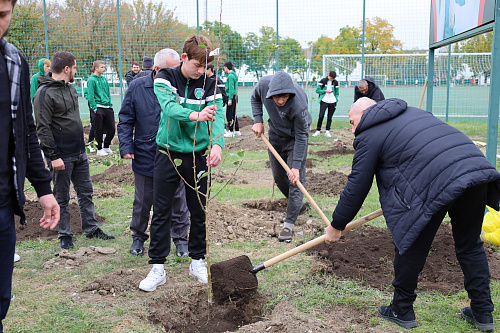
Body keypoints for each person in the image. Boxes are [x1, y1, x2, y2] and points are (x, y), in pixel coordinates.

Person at [325, 97, 500, 332]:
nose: (353, 129)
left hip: (438, 181)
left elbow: (357, 185)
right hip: (474, 171)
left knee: (410, 242)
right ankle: (483, 313)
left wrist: (337, 225)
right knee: (470, 245)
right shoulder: (415, 113)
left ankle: (401, 309)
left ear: (367, 112)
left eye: (352, 122)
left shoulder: (369, 134)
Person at [138, 35, 224, 291]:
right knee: (162, 210)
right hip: (167, 153)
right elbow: (168, 108)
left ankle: (197, 260)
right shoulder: (165, 76)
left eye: (205, 67)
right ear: (183, 58)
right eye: (197, 65)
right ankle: (158, 267)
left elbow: (216, 118)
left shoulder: (210, 83)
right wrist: (196, 115)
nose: (201, 71)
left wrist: (217, 144)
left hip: (198, 156)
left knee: (198, 210)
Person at [0, 0, 60, 329]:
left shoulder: (13, 63)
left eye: (1, 15)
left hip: (3, 207)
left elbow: (25, 131)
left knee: (1, 303)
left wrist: (43, 189)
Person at [34, 51, 115, 250]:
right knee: (61, 197)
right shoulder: (44, 94)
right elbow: (42, 128)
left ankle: (91, 227)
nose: (76, 72)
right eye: (75, 68)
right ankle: (65, 234)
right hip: (61, 156)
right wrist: (53, 157)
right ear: (66, 69)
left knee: (86, 192)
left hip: (79, 151)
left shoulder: (70, 88)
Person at [118, 48, 189, 258]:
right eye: (172, 70)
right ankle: (138, 237)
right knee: (143, 200)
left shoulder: (181, 87)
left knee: (178, 198)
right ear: (157, 69)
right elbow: (125, 119)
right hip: (145, 152)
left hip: (175, 151)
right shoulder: (137, 87)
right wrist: (126, 147)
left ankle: (180, 239)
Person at [251, 71, 311, 242]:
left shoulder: (299, 104)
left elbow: (302, 136)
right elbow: (255, 98)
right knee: (278, 177)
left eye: (284, 97)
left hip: (295, 138)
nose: (280, 101)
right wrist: (258, 120)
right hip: (275, 136)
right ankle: (298, 206)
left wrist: (296, 166)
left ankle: (289, 224)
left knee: (295, 180)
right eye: (276, 97)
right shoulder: (263, 85)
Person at [85, 60, 115, 156]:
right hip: (98, 107)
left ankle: (106, 146)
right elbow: (90, 95)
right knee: (98, 128)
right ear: (96, 68)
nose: (104, 69)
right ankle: (99, 148)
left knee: (111, 128)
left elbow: (107, 93)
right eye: (102, 67)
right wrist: (94, 108)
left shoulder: (104, 79)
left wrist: (109, 103)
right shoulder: (91, 80)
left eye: (104, 67)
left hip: (107, 107)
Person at [312, 70, 339, 138]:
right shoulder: (323, 81)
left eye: (333, 78)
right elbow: (317, 90)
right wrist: (325, 91)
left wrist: (335, 100)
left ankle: (327, 131)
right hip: (324, 101)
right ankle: (318, 131)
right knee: (321, 116)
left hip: (332, 102)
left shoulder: (335, 82)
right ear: (328, 75)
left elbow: (337, 92)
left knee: (330, 117)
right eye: (331, 78)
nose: (332, 79)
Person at [223, 61, 240, 137]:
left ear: (226, 67)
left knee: (229, 114)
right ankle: (236, 130)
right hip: (235, 96)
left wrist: (229, 99)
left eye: (224, 68)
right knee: (234, 114)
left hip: (231, 97)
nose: (224, 70)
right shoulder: (235, 75)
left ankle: (230, 131)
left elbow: (231, 89)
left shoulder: (230, 76)